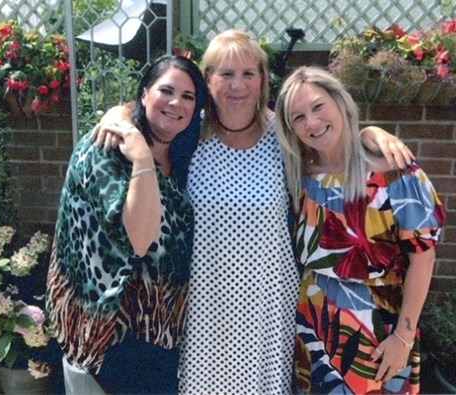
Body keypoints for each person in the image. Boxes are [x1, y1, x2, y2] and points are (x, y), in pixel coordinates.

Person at [94, 29, 413, 394]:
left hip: (269, 304)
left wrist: (370, 133)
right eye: (225, 74)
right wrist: (115, 113)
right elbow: (146, 118)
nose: (237, 86)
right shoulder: (188, 133)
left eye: (249, 74)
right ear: (207, 80)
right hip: (201, 305)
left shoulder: (285, 135)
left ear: (263, 80)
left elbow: (331, 143)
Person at [274, 66, 447, 394]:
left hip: (378, 328)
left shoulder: (392, 167)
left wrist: (403, 337)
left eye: (318, 106)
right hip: (313, 325)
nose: (311, 122)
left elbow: (423, 258)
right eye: (298, 117)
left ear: (340, 101)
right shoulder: (300, 176)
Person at [46, 55, 207, 395]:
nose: (177, 103)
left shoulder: (183, 152)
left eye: (189, 96)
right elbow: (140, 238)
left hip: (159, 333)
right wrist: (142, 159)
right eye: (166, 90)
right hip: (108, 333)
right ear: (144, 94)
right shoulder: (106, 148)